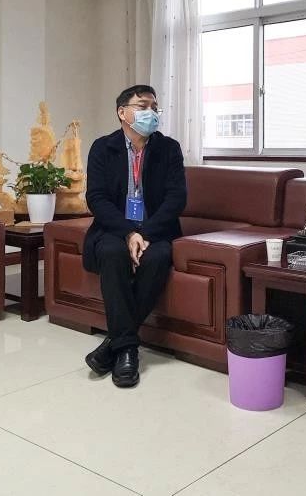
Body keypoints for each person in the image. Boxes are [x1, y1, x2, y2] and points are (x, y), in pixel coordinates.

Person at [82, 85, 187, 388]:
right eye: (142, 106)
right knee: (111, 252)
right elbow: (97, 198)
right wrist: (129, 232)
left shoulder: (169, 149)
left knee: (158, 256)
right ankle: (127, 350)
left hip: (156, 230)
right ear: (122, 112)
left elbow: (176, 199)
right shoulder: (102, 148)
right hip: (114, 228)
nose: (150, 112)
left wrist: (145, 233)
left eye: (154, 107)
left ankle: (115, 345)